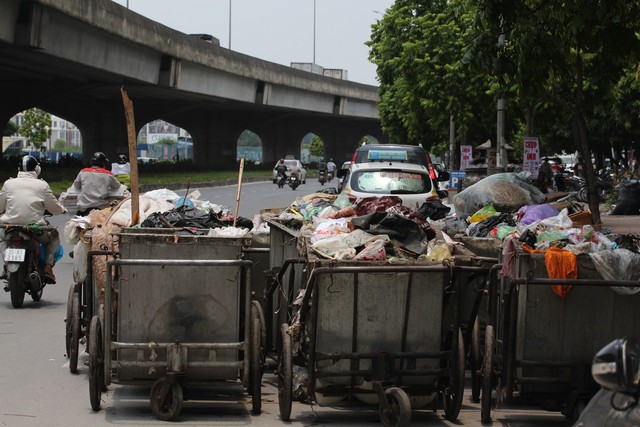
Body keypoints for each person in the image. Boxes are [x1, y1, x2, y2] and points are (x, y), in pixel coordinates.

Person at [0, 155, 67, 283]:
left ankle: (6, 262)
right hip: (35, 229)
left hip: (11, 227)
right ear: (36, 169)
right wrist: (62, 210)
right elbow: (54, 208)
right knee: (54, 237)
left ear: (19, 169)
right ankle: (48, 267)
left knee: (1, 238)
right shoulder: (42, 185)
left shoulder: (8, 184)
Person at [72, 152, 125, 216]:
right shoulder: (108, 174)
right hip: (101, 206)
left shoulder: (83, 171)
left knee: (75, 222)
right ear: (103, 163)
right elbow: (117, 186)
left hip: (84, 207)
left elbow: (76, 185)